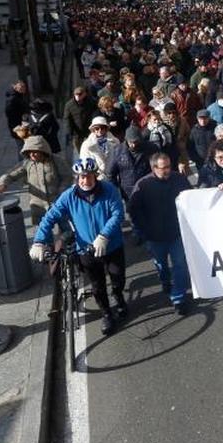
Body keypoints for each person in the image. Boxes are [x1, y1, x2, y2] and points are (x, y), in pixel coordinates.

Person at [31, 157, 128, 335]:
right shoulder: (69, 196)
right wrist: (39, 241)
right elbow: (49, 217)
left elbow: (118, 214)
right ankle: (106, 313)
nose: (85, 180)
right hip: (86, 249)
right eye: (81, 177)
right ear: (76, 178)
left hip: (111, 245)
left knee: (118, 277)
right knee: (97, 285)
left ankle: (118, 295)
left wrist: (104, 236)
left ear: (95, 176)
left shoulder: (109, 190)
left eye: (89, 176)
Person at [128, 153, 194, 314]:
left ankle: (178, 297)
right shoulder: (143, 185)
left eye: (168, 167)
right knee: (162, 266)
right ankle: (165, 280)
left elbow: (191, 198)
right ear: (153, 168)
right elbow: (133, 210)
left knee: (179, 265)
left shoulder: (179, 179)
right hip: (155, 237)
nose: (167, 171)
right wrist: (143, 230)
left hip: (176, 233)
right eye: (163, 168)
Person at [0, 135, 65, 225]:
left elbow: (68, 178)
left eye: (35, 152)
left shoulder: (57, 161)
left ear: (42, 150)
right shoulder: (27, 163)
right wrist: (2, 183)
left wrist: (62, 193)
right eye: (29, 152)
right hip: (38, 205)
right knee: (41, 232)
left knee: (65, 229)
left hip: (57, 202)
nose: (32, 154)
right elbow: (11, 174)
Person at [107, 126, 155, 199]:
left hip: (147, 189)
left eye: (136, 141)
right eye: (131, 142)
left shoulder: (150, 149)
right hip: (127, 193)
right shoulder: (117, 151)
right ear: (126, 140)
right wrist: (117, 190)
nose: (133, 145)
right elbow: (110, 174)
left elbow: (156, 168)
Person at [63, 86, 98, 151]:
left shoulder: (91, 102)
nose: (78, 96)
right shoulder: (69, 105)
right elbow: (67, 119)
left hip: (89, 130)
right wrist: (69, 132)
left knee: (91, 149)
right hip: (77, 133)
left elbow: (96, 114)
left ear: (84, 94)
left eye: (80, 94)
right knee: (79, 151)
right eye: (76, 94)